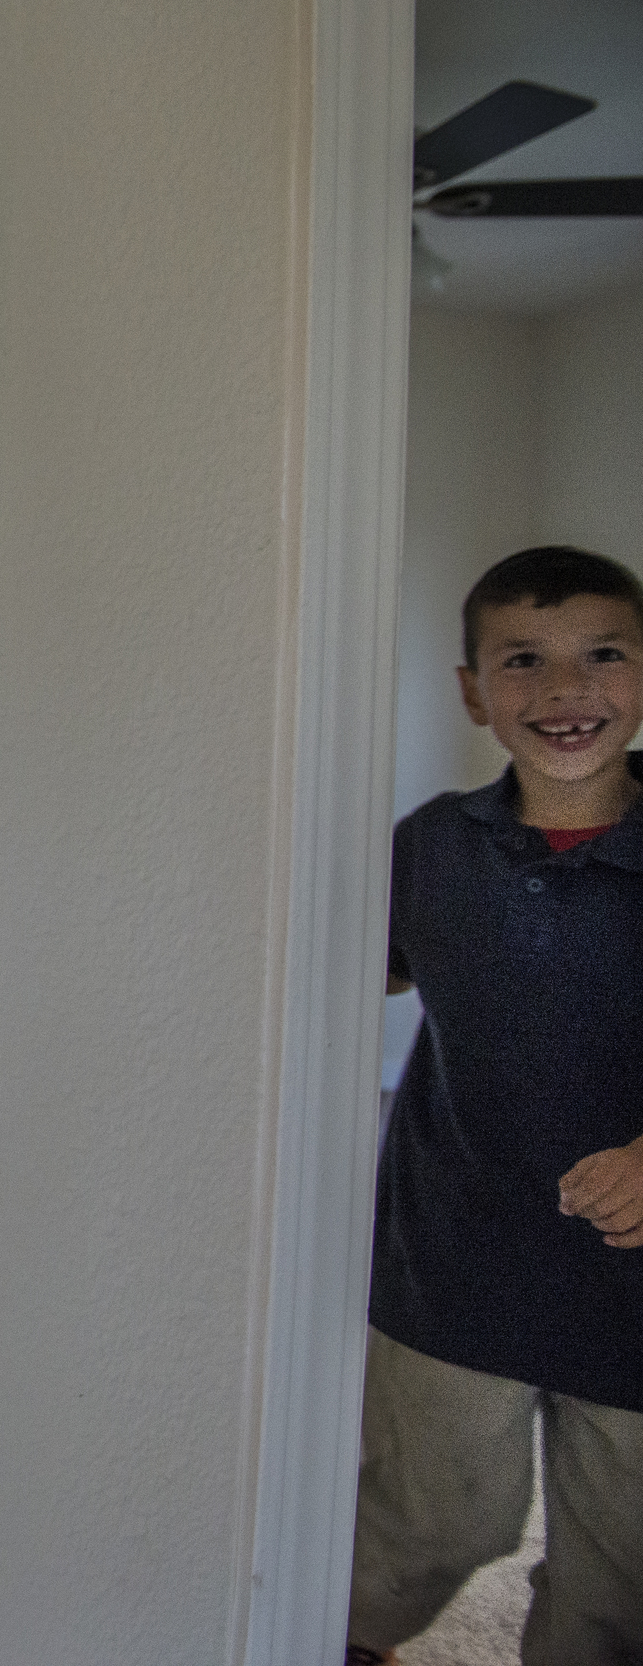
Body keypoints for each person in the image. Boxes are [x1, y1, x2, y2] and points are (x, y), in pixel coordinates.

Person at [348, 545, 643, 1665]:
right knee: (428, 1517)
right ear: (472, 689)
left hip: (630, 1297)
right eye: (523, 660)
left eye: (602, 655)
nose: (565, 692)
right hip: (455, 1260)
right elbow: (336, 975)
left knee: (616, 1575)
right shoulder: (435, 848)